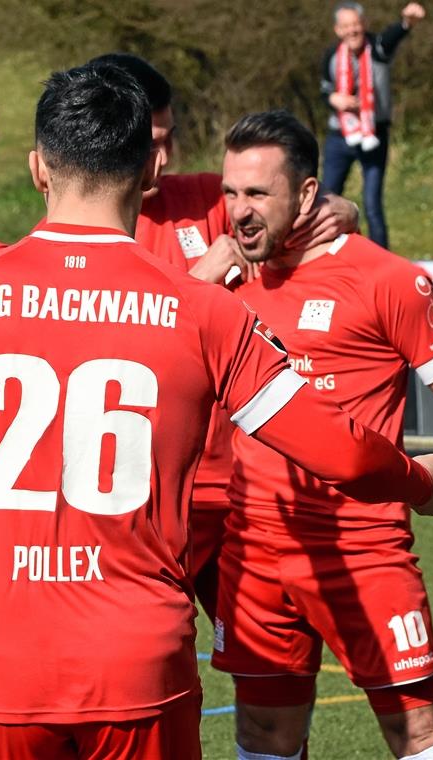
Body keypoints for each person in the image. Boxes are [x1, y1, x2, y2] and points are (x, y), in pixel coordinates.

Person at [0, 62, 433, 760]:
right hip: (135, 661)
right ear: (146, 170)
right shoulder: (202, 309)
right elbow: (341, 453)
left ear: (39, 169)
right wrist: (417, 481)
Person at [211, 110, 433, 760]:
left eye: (257, 195)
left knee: (415, 730)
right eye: (230, 193)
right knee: (264, 735)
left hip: (362, 551)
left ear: (307, 196)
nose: (238, 212)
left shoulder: (386, 279)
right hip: (253, 552)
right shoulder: (225, 278)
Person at [88, 52, 361, 622]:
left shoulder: (206, 195)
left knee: (262, 678)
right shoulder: (82, 224)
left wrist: (340, 207)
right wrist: (194, 283)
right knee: (144, 652)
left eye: (169, 139)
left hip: (230, 491)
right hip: (132, 495)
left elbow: (288, 201)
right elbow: (94, 347)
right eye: (149, 141)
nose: (160, 159)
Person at [321, 2, 426, 249]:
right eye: (346, 26)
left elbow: (392, 37)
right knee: (326, 199)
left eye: (356, 24)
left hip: (374, 134)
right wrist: (335, 99)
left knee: (372, 204)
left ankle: (381, 262)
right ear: (338, 30)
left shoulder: (377, 49)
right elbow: (324, 91)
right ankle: (324, 253)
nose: (352, 31)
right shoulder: (331, 56)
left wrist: (407, 22)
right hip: (340, 135)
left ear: (364, 25)